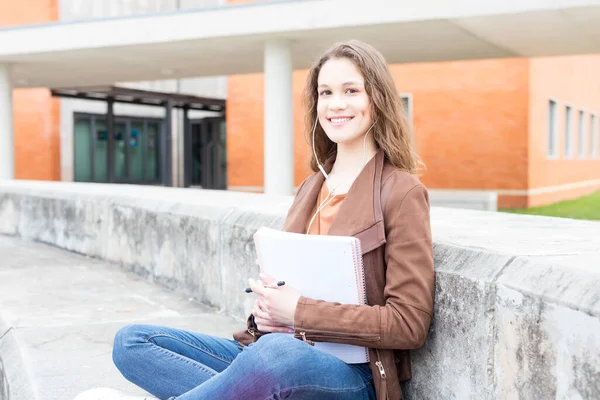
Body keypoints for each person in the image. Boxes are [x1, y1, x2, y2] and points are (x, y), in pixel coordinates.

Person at [74, 39, 435, 400]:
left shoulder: (401, 192)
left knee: (276, 355)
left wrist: (299, 311)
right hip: (276, 353)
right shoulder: (311, 187)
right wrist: (266, 315)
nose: (336, 103)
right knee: (134, 342)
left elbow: (408, 323)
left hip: (352, 376)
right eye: (325, 92)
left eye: (351, 90)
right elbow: (292, 287)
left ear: (377, 99)